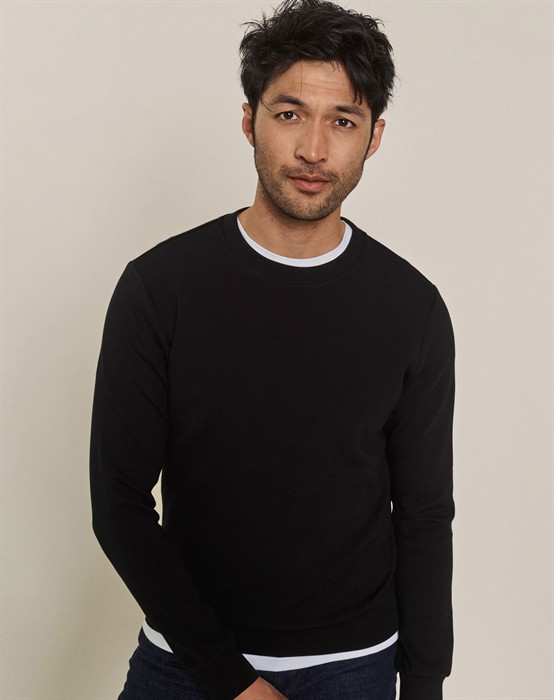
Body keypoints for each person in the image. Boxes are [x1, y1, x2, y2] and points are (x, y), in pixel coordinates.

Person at [90, 1, 455, 698]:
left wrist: (425, 685)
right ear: (249, 120)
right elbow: (119, 504)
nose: (314, 150)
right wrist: (230, 680)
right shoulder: (160, 288)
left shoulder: (413, 308)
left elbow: (424, 513)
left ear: (374, 136)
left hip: (356, 667)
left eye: (342, 121)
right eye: (290, 114)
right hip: (188, 663)